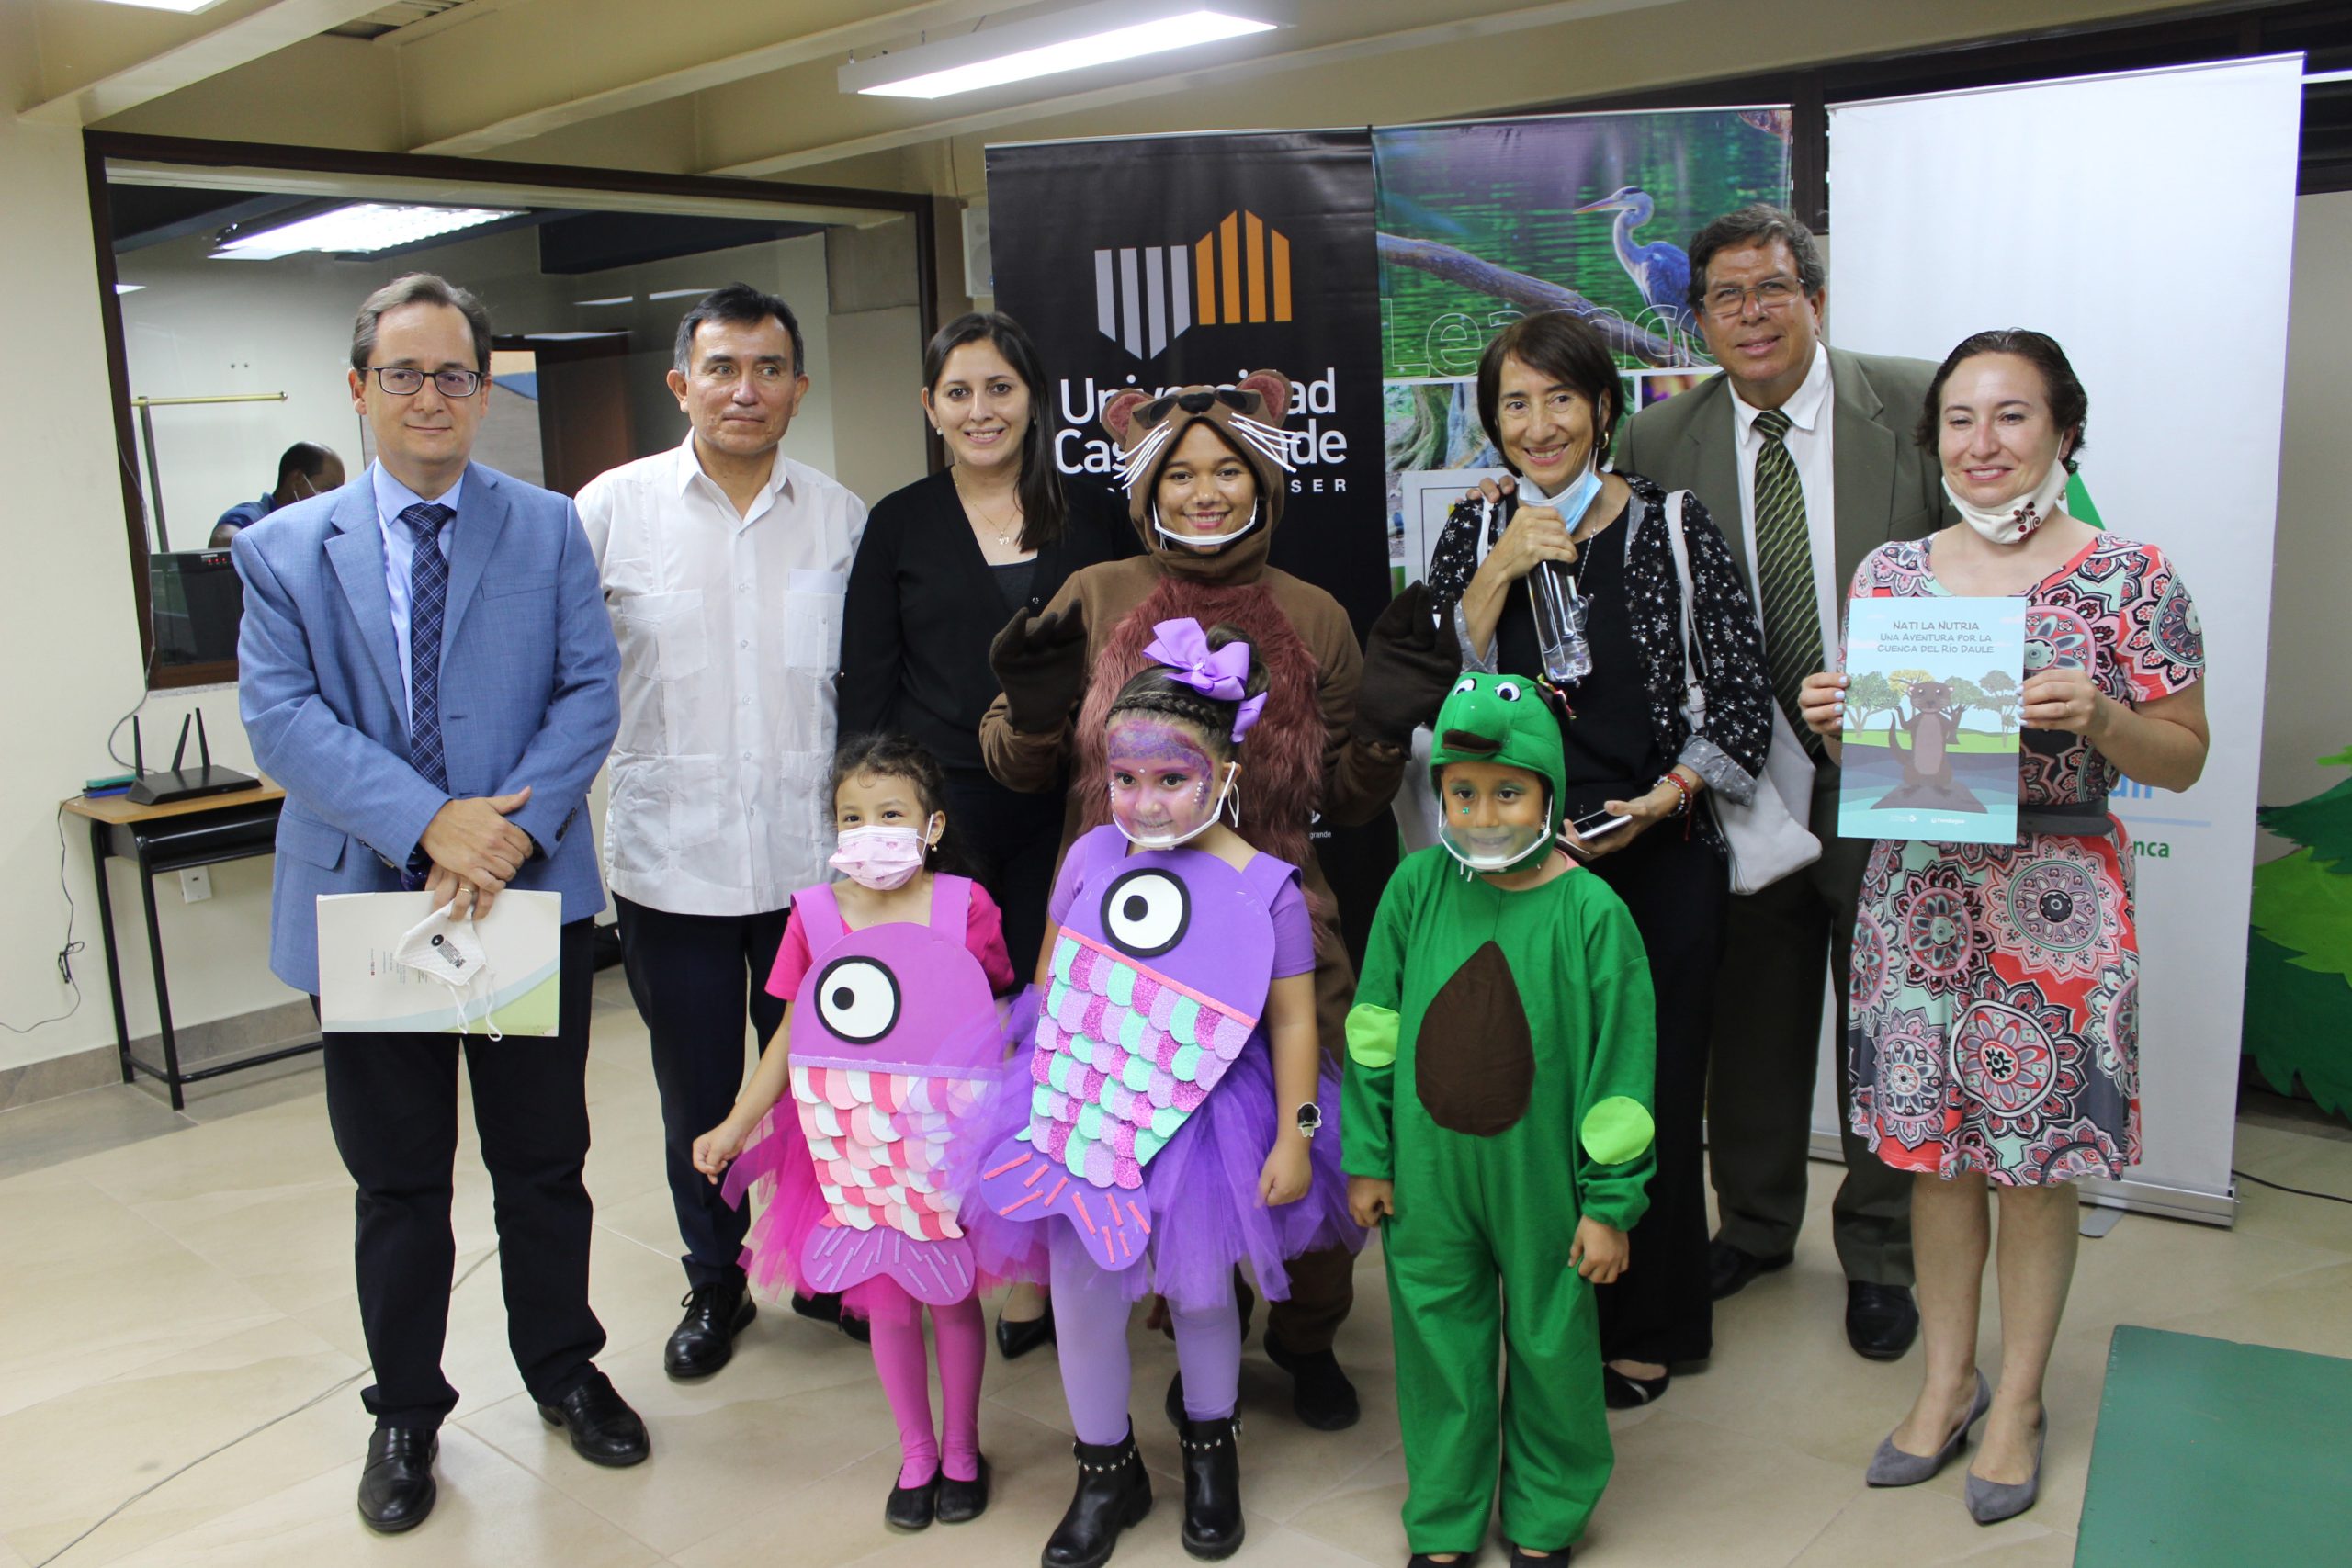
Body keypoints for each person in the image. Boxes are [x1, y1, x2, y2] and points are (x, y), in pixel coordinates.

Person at [233, 272, 641, 1534]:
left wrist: (501, 831)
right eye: (403, 373)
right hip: (373, 903)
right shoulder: (285, 549)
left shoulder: (545, 525)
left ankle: (564, 1363)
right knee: (401, 1180)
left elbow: (589, 689)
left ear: (484, 388)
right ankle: (406, 1409)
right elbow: (281, 718)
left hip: (518, 893)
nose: (430, 396)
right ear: (358, 389)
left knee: (542, 1159)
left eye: (455, 373)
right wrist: (431, 820)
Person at [979, 374, 1456, 1430]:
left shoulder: (1313, 615)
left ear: (1263, 482)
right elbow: (1020, 771)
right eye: (1180, 473)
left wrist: (1379, 728)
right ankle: (1198, 1342)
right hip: (1123, 948)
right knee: (1147, 1159)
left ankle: (1305, 1336)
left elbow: (1344, 798)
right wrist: (1031, 712)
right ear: (1146, 487)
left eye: (1226, 470)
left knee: (1310, 1150)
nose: (1203, 492)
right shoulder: (1096, 595)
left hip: (1278, 933)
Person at [1804, 330, 2207, 1522]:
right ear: (1934, 443)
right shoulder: (1892, 575)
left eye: (2012, 415)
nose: (1984, 443)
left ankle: (2018, 1398)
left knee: (2032, 1170)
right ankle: (1945, 1380)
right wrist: (1839, 724)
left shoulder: (2131, 575)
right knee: (1933, 1155)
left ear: (2065, 431)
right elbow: (1890, 754)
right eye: (1961, 419)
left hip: (2058, 899)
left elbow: (2184, 757)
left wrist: (2105, 717)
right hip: (1918, 892)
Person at [1617, 204, 1948, 1359]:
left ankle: (1881, 1253)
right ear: (1696, 313)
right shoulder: (1660, 441)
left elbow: (1991, 565)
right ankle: (1755, 1225)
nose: (1748, 315)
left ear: (1814, 295)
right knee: (1748, 1025)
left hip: (1907, 767)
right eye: (1723, 297)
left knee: (1886, 1022)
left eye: (1770, 289)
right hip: (1744, 784)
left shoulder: (1916, 406)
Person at [1429, 309, 1770, 1405]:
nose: (1538, 425)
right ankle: (1550, 1312)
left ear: (1603, 408)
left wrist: (1662, 803)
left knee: (1649, 1093)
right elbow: (1431, 694)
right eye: (1514, 405)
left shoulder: (1673, 524)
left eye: (1559, 398)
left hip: (1657, 850)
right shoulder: (1478, 533)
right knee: (1533, 1094)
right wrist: (1499, 572)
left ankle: (1654, 1320)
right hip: (1515, 864)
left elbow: (1739, 698)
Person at [969, 620, 1358, 1566]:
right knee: (1085, 1288)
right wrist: (1037, 1094)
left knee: (1199, 1290)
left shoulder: (1266, 886)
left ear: (1226, 771)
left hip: (1213, 1119)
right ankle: (1104, 1468)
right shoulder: (1089, 859)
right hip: (1082, 1095)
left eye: (1171, 779)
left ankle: (1211, 1448)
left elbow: (1296, 1024)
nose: (1143, 802)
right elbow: (1052, 980)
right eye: (1125, 778)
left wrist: (1298, 1135)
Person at [578, 283, 869, 1380]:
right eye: (721, 368)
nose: (744, 390)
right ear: (681, 383)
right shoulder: (606, 512)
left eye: (767, 369)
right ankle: (715, 1277)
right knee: (696, 1093)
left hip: (812, 867)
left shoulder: (842, 521)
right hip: (673, 864)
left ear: (797, 386)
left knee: (820, 1078)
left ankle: (828, 1267)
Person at [837, 312, 1135, 1359]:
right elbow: (868, 693)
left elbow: (1136, 664)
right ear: (930, 408)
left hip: (1078, 822)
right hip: (946, 833)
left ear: (1032, 399)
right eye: (958, 392)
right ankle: (979, 1250)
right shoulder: (900, 524)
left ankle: (1045, 1261)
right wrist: (877, 840)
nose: (980, 411)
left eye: (999, 388)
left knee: (1063, 1036)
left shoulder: (1096, 514)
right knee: (965, 1043)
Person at [1344, 670, 1658, 1564]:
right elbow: (1373, 1030)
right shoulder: (1414, 891)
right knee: (1438, 1348)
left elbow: (1621, 1078)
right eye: (1463, 793)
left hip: (1544, 1189)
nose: (1483, 815)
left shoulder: (1592, 914)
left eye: (1508, 793)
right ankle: (1442, 1518)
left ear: (1548, 793)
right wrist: (1369, 1153)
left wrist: (1608, 1203)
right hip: (1428, 1184)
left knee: (1552, 1348)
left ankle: (1546, 1511)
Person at [691, 733, 1022, 1532]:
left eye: (890, 813)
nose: (870, 830)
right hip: (851, 1142)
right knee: (888, 1299)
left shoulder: (965, 905)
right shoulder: (813, 913)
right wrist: (738, 1119)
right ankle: (916, 1449)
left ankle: (964, 1447)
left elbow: (998, 1014)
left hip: (946, 1142)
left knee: (950, 1297)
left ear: (931, 825)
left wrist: (1008, 1119)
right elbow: (788, 1032)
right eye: (852, 815)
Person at [210, 441, 345, 547]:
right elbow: (221, 540)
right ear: (297, 479)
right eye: (329, 489)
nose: (332, 499)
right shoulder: (254, 515)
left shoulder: (316, 528)